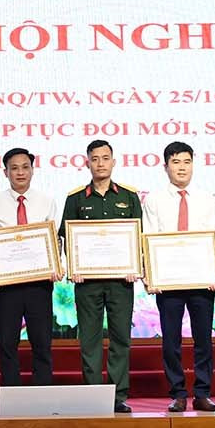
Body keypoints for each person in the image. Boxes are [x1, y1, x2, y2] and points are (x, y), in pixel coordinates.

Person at [60, 140, 142, 413]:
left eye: (105, 158)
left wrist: (134, 265)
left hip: (121, 282)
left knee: (121, 339)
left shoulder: (129, 196)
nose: (100, 163)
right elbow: (66, 238)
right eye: (95, 159)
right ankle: (94, 395)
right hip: (87, 284)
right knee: (90, 340)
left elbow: (138, 237)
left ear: (113, 162)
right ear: (87, 163)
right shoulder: (75, 199)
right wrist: (74, 267)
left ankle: (118, 396)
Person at [142, 141, 215, 413]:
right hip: (169, 281)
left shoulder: (207, 199)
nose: (182, 168)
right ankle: (177, 393)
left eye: (187, 162)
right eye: (176, 162)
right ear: (166, 167)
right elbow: (148, 239)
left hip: (202, 280)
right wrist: (151, 276)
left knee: (203, 340)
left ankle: (202, 393)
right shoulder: (154, 200)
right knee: (171, 340)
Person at [0, 147, 57, 388]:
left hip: (39, 284)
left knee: (42, 343)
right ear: (5, 172)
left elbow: (54, 241)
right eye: (14, 168)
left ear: (32, 170)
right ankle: (12, 395)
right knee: (7, 343)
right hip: (7, 286)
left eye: (25, 167)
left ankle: (43, 395)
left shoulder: (47, 202)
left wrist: (56, 265)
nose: (20, 172)